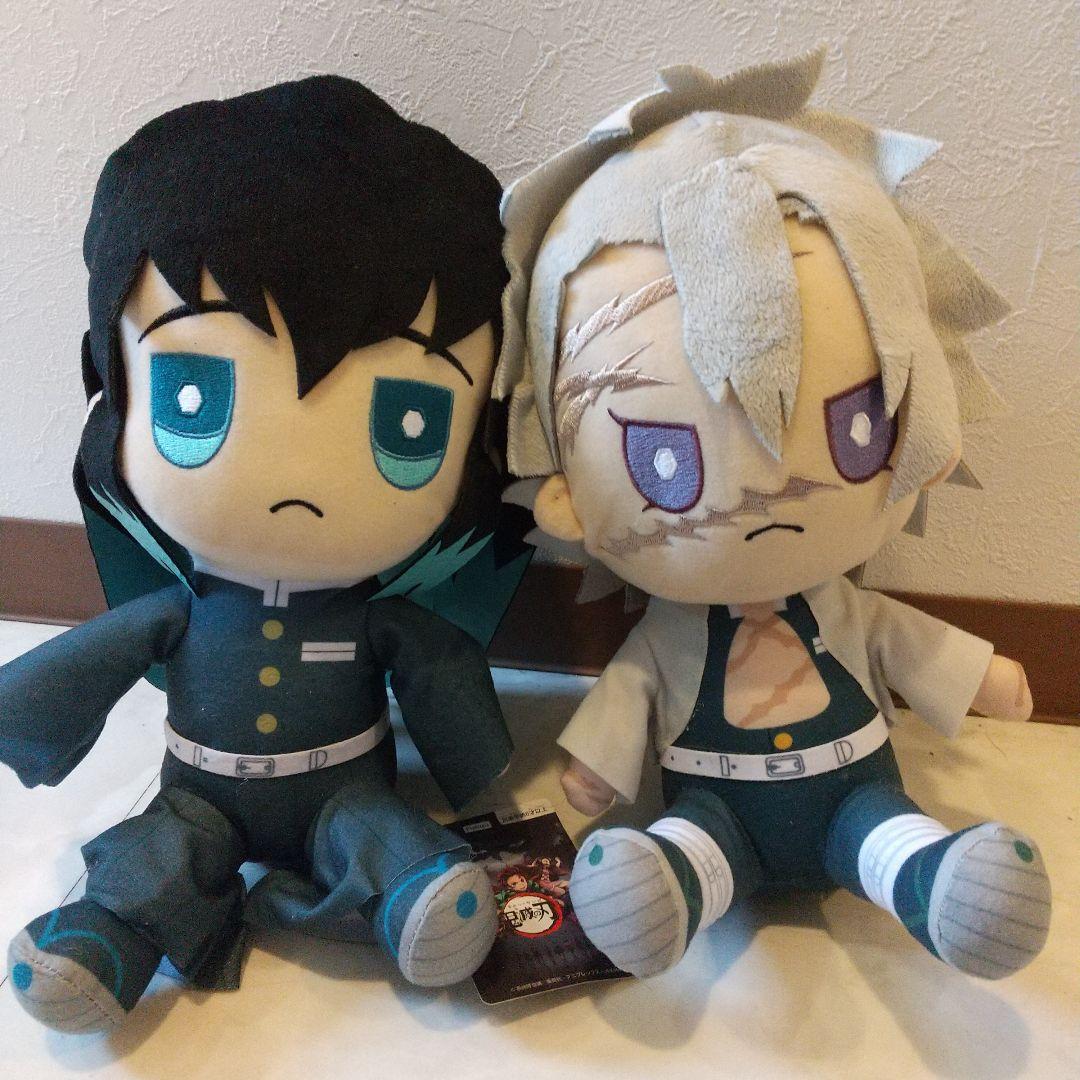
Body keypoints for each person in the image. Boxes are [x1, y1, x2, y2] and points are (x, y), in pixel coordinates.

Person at [493, 50, 1050, 981]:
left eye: (857, 429)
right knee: (693, 847)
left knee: (887, 835)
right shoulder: (665, 638)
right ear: (567, 490)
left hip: (857, 791)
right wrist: (590, 778)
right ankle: (675, 886)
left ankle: (932, 880)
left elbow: (910, 644)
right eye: (663, 462)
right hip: (714, 806)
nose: (760, 501)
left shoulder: (851, 612)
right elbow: (627, 699)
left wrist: (985, 679)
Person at [1, 74, 519, 1034]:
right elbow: (92, 658)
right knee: (165, 843)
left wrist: (475, 763)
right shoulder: (179, 613)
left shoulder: (378, 618)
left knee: (377, 833)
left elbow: (439, 669)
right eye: (193, 397)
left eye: (410, 423)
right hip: (199, 796)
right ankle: (110, 931)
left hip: (348, 789)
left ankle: (416, 901)